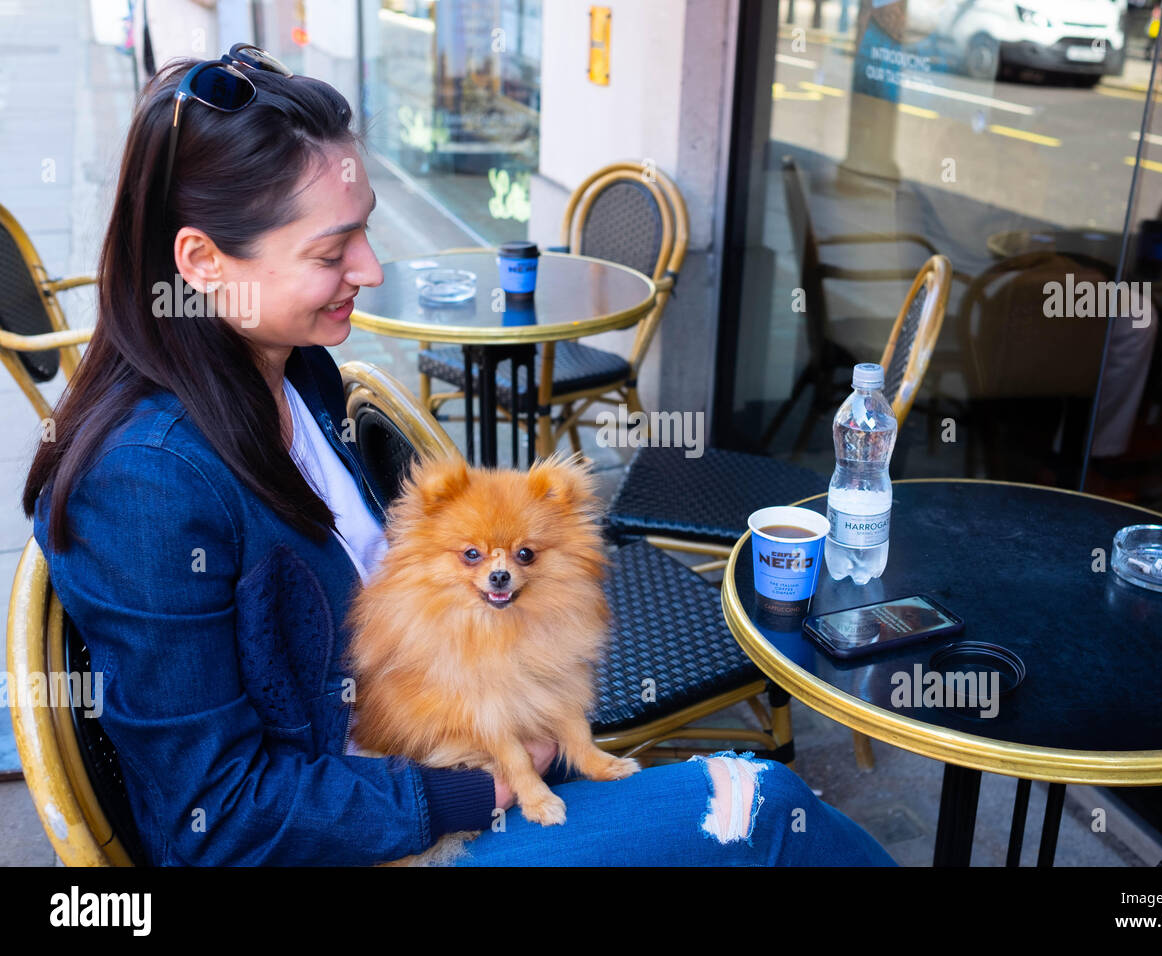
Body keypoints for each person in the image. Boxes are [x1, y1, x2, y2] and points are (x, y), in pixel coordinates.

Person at [22, 48, 896, 868]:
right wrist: (472, 788)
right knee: (762, 804)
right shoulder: (145, 483)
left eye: (360, 232)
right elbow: (211, 815)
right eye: (331, 251)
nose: (369, 267)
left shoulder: (300, 378)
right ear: (203, 262)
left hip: (452, 741)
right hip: (387, 829)